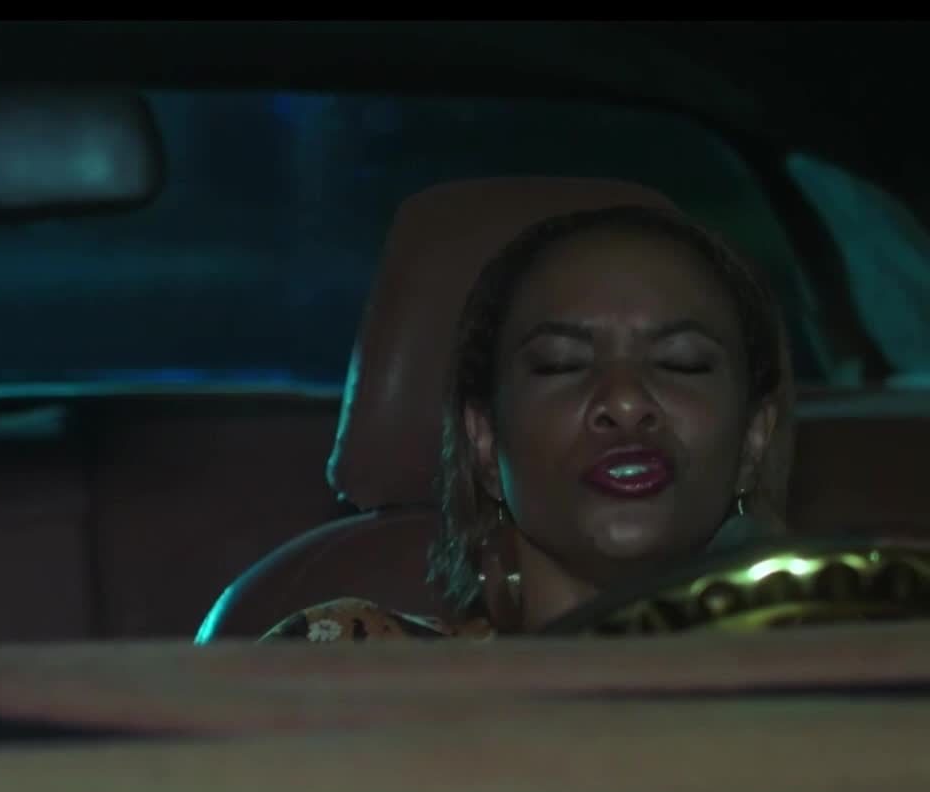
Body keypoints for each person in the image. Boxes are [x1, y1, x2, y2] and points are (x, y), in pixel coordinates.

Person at [263, 204, 792, 642]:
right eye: (562, 364)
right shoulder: (346, 666)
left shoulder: (830, 684)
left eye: (682, 363)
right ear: (485, 444)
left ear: (753, 441)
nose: (626, 401)